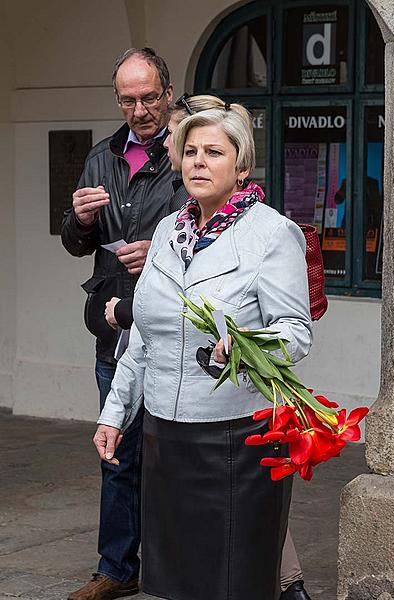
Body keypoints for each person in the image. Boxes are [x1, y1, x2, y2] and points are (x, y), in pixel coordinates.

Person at [94, 105, 313, 600]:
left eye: (213, 152)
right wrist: (114, 415)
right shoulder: (171, 231)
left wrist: (247, 345)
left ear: (240, 166)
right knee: (178, 582)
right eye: (190, 151)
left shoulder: (271, 233)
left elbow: (296, 333)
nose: (198, 161)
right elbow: (145, 338)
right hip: (165, 439)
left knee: (234, 582)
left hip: (239, 438)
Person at [61, 47, 179, 600]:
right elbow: (74, 241)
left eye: (148, 97)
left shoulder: (189, 152)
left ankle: (179, 567)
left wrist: (159, 251)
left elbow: (217, 225)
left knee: (180, 455)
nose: (139, 110)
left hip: (177, 328)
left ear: (168, 93)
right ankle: (115, 568)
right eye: (128, 100)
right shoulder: (101, 155)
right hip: (114, 322)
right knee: (117, 449)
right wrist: (80, 219)